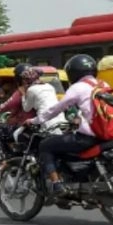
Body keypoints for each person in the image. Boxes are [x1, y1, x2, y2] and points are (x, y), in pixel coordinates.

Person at [28, 54, 104, 194]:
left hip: (89, 137)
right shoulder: (103, 84)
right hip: (107, 134)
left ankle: (57, 185)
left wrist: (35, 120)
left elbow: (57, 108)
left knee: (45, 145)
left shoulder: (78, 87)